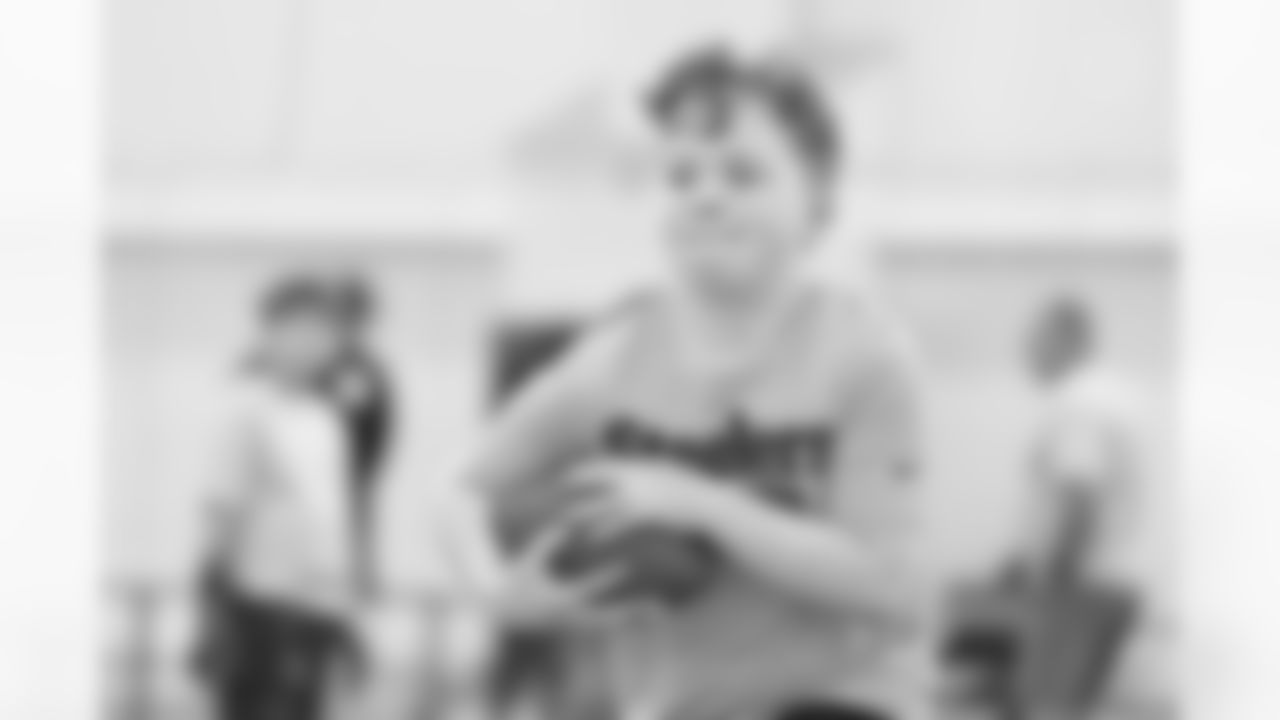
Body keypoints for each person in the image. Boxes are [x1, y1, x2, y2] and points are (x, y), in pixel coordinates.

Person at [468, 45, 932, 720]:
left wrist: (704, 505)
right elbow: (454, 493)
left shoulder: (865, 353)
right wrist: (497, 592)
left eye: (743, 173)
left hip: (839, 701)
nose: (707, 194)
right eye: (681, 176)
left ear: (818, 199)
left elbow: (893, 588)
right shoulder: (614, 357)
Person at [192, 272, 368, 720]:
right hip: (261, 605)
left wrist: (347, 612)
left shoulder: (325, 418)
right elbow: (221, 509)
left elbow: (329, 523)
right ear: (269, 333)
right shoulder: (245, 409)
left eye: (325, 331)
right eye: (300, 328)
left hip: (319, 607)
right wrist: (212, 612)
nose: (313, 343)